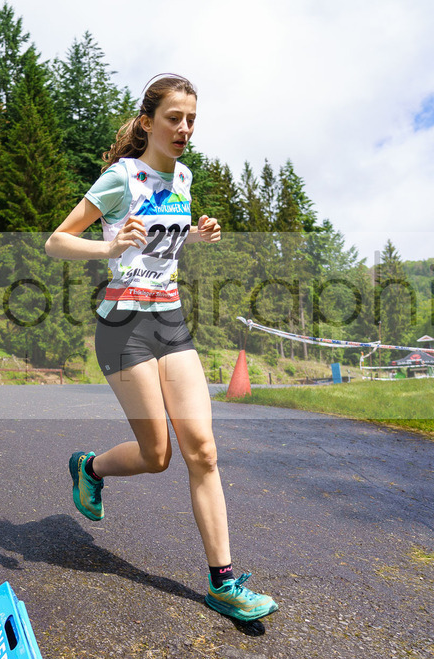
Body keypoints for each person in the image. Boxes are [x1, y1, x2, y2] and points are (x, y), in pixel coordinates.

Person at [44, 74, 277, 622]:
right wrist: (107, 245)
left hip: (169, 319)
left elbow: (161, 241)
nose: (185, 129)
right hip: (123, 326)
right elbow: (56, 241)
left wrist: (196, 235)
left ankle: (223, 581)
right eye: (174, 118)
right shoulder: (120, 177)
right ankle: (91, 468)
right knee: (157, 456)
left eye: (192, 119)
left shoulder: (185, 177)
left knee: (203, 449)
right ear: (148, 122)